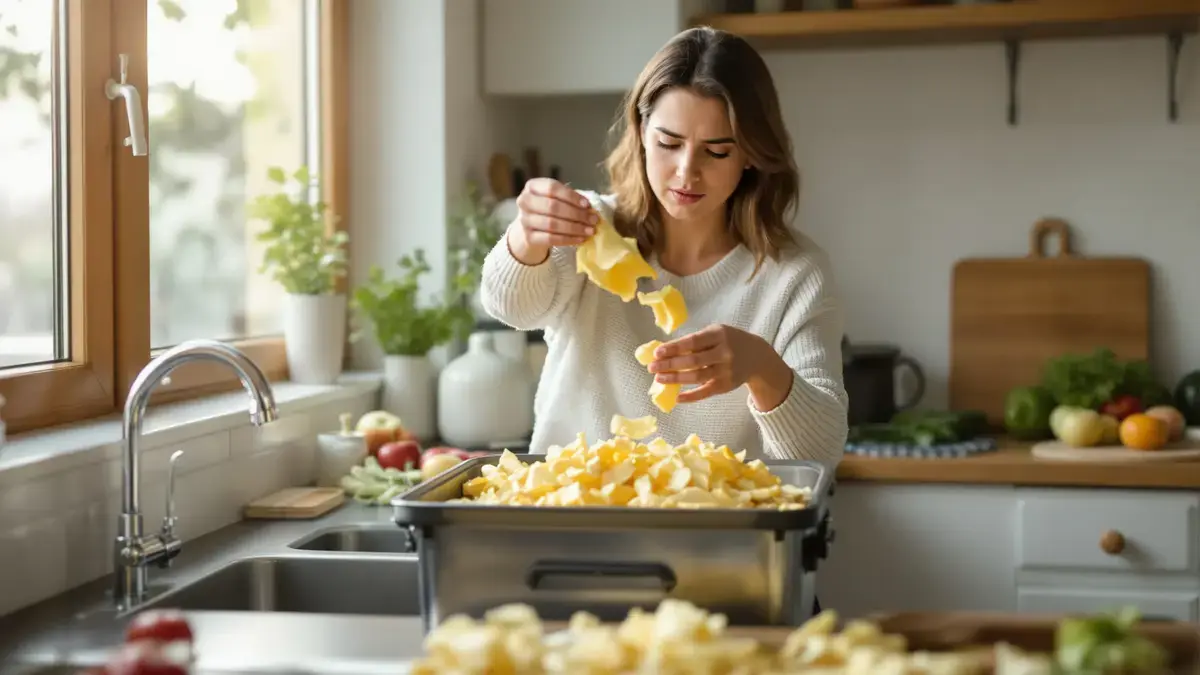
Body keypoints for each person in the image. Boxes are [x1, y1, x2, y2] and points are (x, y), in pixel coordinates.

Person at [479, 25, 848, 468]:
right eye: (669, 144)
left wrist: (762, 367)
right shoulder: (593, 228)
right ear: (640, 131)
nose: (686, 173)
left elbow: (821, 451)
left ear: (751, 153)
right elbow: (510, 307)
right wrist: (525, 237)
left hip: (717, 531)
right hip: (571, 516)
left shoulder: (794, 273)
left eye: (717, 152)